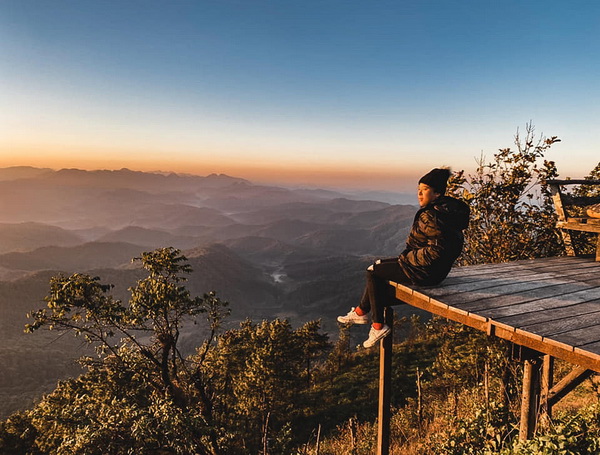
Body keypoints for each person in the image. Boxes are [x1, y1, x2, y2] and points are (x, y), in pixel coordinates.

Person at [337, 168, 470, 347]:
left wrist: (408, 259)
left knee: (373, 273)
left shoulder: (432, 215)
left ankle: (377, 325)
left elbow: (437, 251)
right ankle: (361, 313)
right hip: (434, 271)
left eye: (425, 189)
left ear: (437, 192)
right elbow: (449, 248)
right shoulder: (446, 212)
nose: (419, 193)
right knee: (375, 267)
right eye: (418, 189)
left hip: (423, 272)